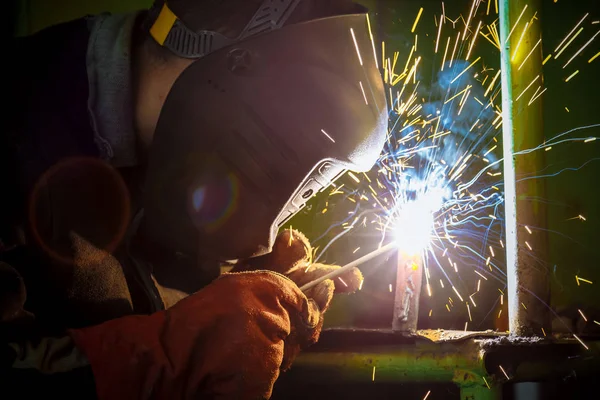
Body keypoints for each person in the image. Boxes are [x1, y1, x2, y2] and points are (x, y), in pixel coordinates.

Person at [2, 0, 387, 397]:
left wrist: (226, 306)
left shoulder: (157, 156)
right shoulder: (15, 129)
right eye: (270, 165)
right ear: (236, 67)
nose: (268, 236)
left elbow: (113, 305)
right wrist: (178, 358)